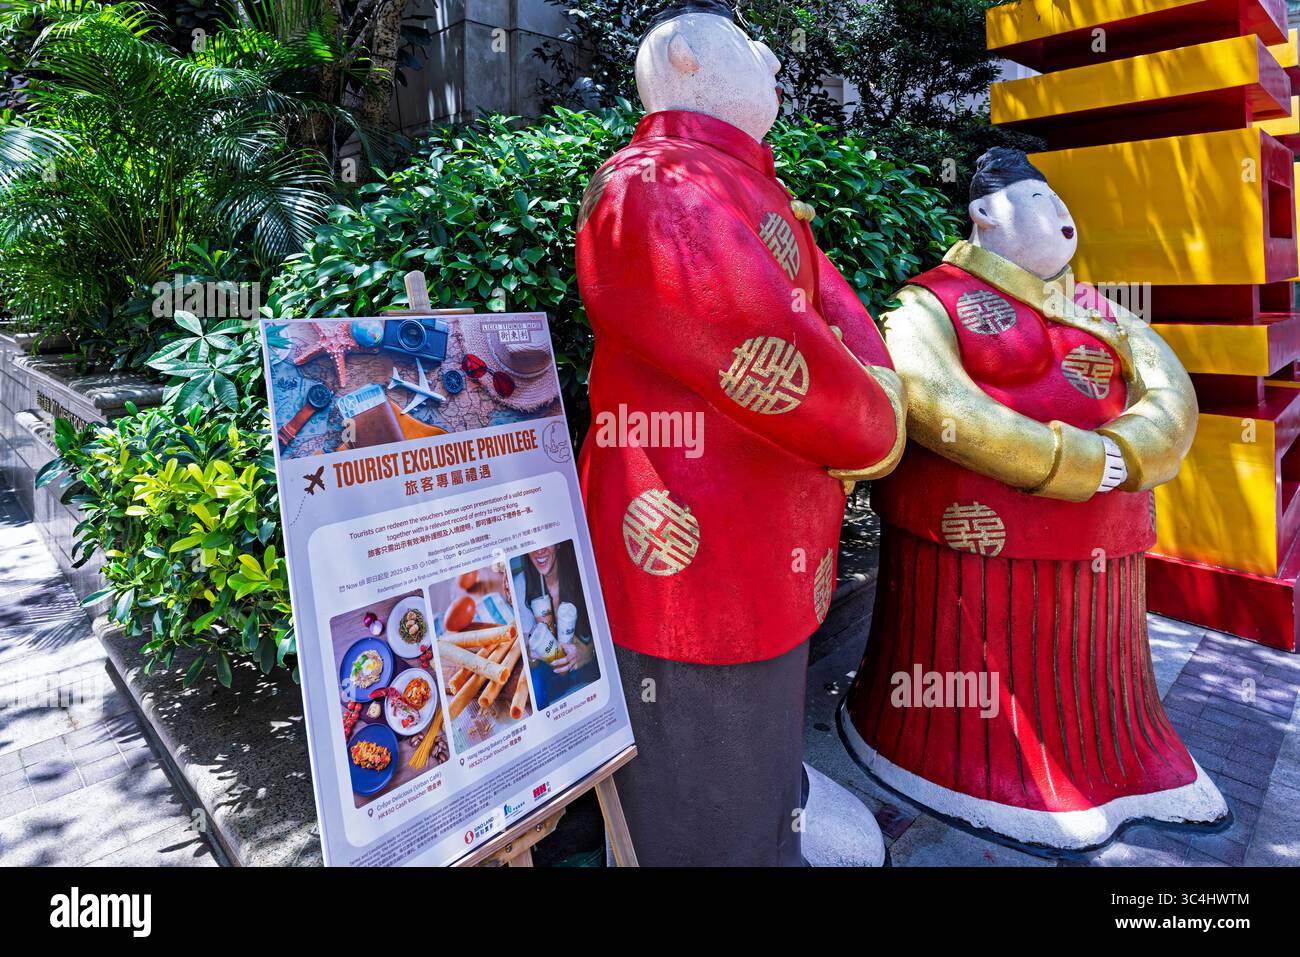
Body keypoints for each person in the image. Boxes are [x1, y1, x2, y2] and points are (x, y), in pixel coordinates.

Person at [575, 0, 902, 865]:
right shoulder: (652, 184)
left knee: (761, 709)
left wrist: (881, 390)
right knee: (703, 731)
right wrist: (873, 420)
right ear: (684, 58)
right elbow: (762, 343)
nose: (774, 63)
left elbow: (833, 316)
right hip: (692, 533)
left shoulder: (743, 183)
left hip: (766, 521)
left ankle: (774, 821)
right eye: (752, 49)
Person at [841, 148, 1229, 850]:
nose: (1060, 215)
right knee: (977, 694)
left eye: (1060, 204)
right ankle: (973, 767)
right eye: (1039, 201)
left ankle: (1127, 763)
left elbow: (1172, 394)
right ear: (985, 214)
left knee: (1099, 683)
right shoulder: (927, 300)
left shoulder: (1102, 310)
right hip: (969, 551)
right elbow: (931, 398)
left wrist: (1130, 450)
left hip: (1105, 550)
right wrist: (1078, 459)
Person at [514, 543, 598, 708]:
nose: (540, 549)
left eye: (545, 541)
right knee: (536, 688)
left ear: (558, 542)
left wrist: (589, 652)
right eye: (531, 543)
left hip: (587, 662)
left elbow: (606, 628)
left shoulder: (579, 568)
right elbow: (529, 662)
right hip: (549, 669)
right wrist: (532, 654)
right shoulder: (522, 584)